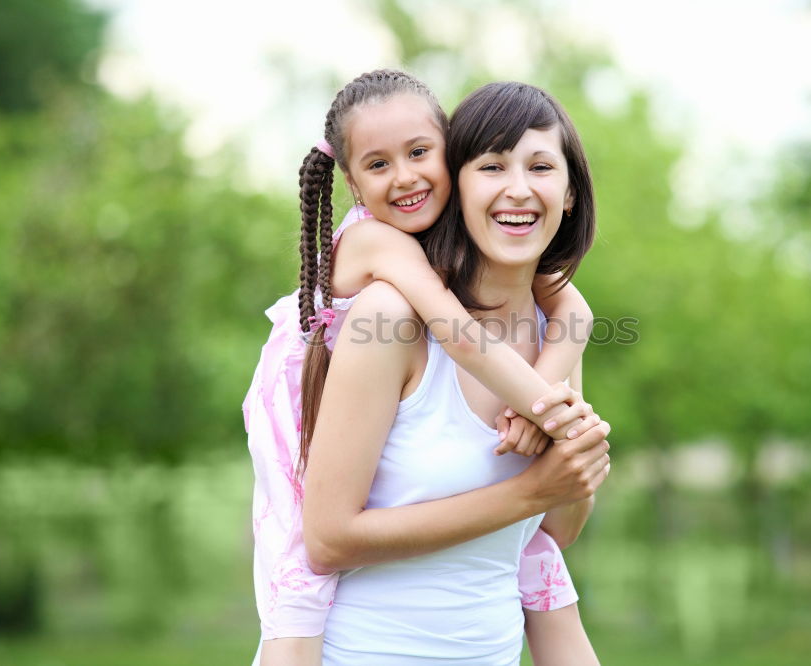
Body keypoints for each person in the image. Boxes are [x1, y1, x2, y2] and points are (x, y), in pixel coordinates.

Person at [244, 71, 605, 665]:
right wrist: (538, 467)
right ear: (460, 181)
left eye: (540, 167)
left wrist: (572, 474)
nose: (517, 188)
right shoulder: (389, 312)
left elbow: (552, 532)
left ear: (570, 192)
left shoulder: (553, 329)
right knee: (293, 592)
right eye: (491, 167)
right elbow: (328, 538)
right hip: (363, 652)